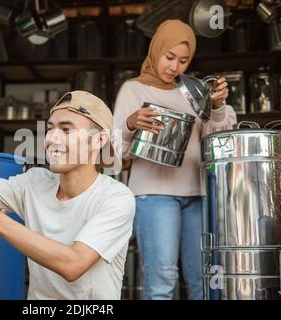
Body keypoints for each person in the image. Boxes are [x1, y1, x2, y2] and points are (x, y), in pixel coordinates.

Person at [0, 90, 135, 300]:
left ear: (99, 140)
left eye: (66, 130)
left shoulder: (116, 198)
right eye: (50, 129)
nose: (52, 139)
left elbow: (73, 264)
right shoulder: (34, 182)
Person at [113, 19, 237, 300]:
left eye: (183, 60)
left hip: (197, 194)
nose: (175, 67)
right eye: (169, 57)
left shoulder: (192, 91)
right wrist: (130, 124)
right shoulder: (133, 89)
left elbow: (217, 141)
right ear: (156, 50)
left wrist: (217, 107)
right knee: (162, 278)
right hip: (153, 195)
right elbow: (113, 152)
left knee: (201, 278)